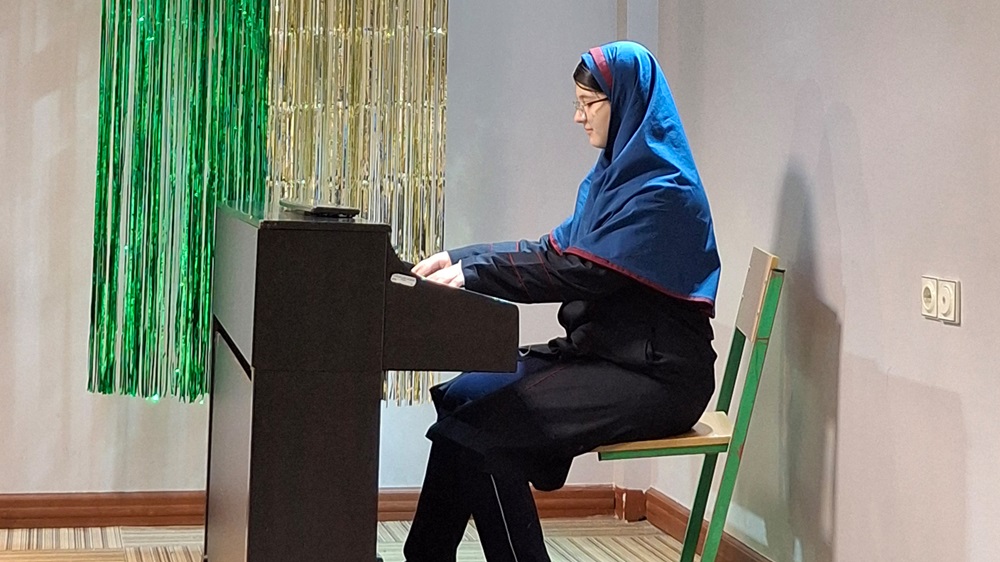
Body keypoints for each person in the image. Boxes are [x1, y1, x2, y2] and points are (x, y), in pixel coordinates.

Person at [403, 41, 722, 562]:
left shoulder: (665, 191)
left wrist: (475, 274)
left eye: (588, 103)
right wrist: (459, 258)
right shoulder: (612, 177)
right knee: (462, 397)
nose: (578, 116)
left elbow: (582, 271)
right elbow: (554, 248)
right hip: (608, 353)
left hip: (658, 377)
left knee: (482, 435)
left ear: (626, 102)